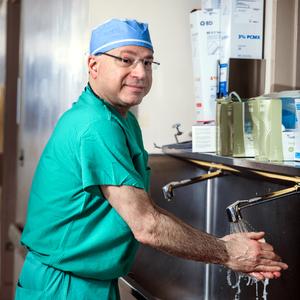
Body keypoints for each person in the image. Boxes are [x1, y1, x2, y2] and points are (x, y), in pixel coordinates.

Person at [16, 18, 288, 300]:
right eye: (126, 60)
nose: (140, 73)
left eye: (147, 62)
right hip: (65, 287)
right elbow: (148, 225)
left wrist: (224, 247)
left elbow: (146, 212)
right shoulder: (94, 126)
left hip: (90, 280)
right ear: (93, 66)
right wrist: (228, 252)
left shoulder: (122, 120)